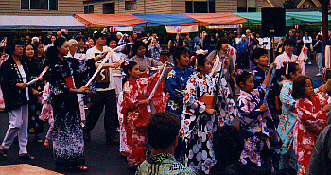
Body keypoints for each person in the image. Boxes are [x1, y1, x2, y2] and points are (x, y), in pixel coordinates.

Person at [182, 54, 236, 174]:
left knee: (208, 146)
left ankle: (207, 169)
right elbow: (188, 100)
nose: (210, 65)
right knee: (195, 149)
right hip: (197, 119)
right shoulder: (193, 80)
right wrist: (204, 109)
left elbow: (218, 83)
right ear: (200, 67)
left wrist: (222, 67)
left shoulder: (209, 79)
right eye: (207, 63)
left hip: (209, 120)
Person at [44, 37, 87, 171]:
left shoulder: (67, 62)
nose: (68, 49)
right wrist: (77, 90)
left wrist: (104, 61)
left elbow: (84, 64)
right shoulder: (53, 65)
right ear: (58, 48)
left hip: (71, 100)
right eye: (65, 47)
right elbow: (58, 87)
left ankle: (76, 160)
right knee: (63, 130)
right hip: (61, 102)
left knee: (74, 130)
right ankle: (63, 161)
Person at [118, 61, 166, 166]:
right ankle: (134, 161)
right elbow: (129, 103)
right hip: (133, 115)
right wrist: (143, 101)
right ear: (129, 72)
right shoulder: (127, 85)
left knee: (142, 138)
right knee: (134, 139)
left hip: (142, 112)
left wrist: (161, 70)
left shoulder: (139, 82)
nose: (138, 71)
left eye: (138, 69)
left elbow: (151, 79)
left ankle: (141, 159)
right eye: (136, 69)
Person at [236, 65, 282, 171]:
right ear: (242, 84)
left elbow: (264, 87)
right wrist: (259, 110)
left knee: (266, 160)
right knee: (252, 166)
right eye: (250, 82)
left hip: (262, 134)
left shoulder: (254, 93)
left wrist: (270, 72)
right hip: (251, 137)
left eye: (252, 81)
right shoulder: (242, 99)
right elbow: (245, 118)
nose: (253, 84)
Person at [83, 31, 122, 145]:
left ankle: (110, 135)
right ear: (96, 39)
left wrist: (120, 62)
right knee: (95, 111)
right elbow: (94, 65)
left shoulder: (109, 50)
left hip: (110, 86)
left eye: (104, 38)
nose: (104, 40)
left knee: (111, 112)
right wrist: (110, 65)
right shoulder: (90, 52)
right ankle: (87, 130)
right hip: (97, 87)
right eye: (101, 38)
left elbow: (116, 60)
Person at [0, 39, 35, 160]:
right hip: (13, 97)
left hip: (24, 96)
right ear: (12, 48)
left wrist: (32, 89)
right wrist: (17, 84)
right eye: (18, 46)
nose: (21, 49)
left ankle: (23, 150)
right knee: (16, 124)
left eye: (22, 47)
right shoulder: (6, 64)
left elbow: (28, 78)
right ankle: (4, 146)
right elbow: (4, 82)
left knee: (24, 124)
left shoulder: (23, 63)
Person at [292, 75, 328, 175]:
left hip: (315, 135)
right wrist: (323, 111)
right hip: (305, 135)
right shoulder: (299, 103)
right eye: (307, 86)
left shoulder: (315, 99)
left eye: (311, 85)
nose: (311, 87)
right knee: (306, 162)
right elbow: (309, 120)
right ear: (300, 88)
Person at [165, 47, 195, 161]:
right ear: (177, 58)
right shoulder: (171, 74)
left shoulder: (192, 72)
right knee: (176, 136)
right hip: (176, 109)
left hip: (189, 108)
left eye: (188, 56)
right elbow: (174, 93)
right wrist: (191, 98)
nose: (187, 59)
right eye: (184, 56)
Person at [276, 62, 302, 173]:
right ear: (291, 74)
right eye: (299, 72)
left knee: (295, 155)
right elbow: (291, 104)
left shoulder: (293, 86)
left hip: (294, 124)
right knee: (291, 155)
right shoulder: (286, 89)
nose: (301, 74)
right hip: (289, 126)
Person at [251, 48, 281, 127]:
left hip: (272, 103)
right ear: (256, 60)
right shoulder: (255, 73)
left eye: (267, 57)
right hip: (262, 104)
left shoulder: (267, 71)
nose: (267, 59)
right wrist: (279, 84)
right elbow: (263, 88)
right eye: (264, 57)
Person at [22, 44, 45, 143]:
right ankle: (21, 134)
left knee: (38, 111)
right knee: (25, 113)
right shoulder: (22, 62)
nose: (30, 51)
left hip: (38, 86)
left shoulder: (38, 62)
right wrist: (31, 89)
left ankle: (37, 134)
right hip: (26, 87)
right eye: (28, 49)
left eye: (31, 49)